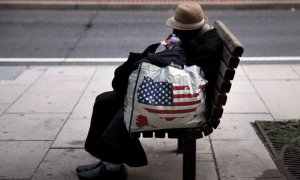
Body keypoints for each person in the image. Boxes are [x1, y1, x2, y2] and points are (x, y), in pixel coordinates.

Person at [76, 2, 223, 180]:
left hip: (186, 101)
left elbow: (192, 79)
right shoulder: (198, 36)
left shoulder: (206, 46)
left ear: (191, 29)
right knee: (104, 101)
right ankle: (107, 159)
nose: (175, 32)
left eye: (178, 29)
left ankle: (112, 169)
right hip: (178, 92)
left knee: (126, 107)